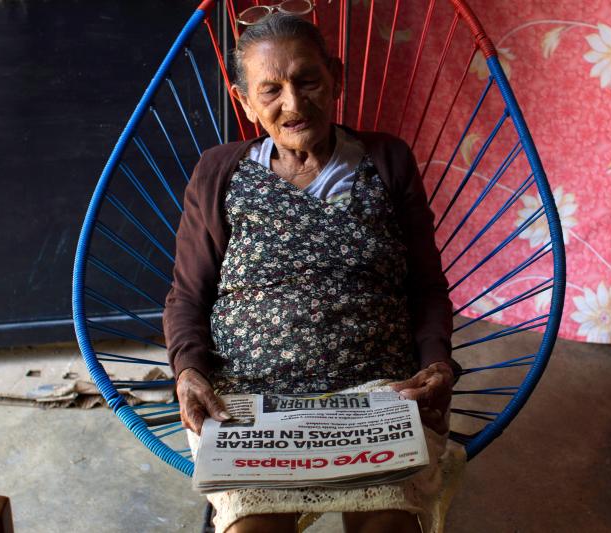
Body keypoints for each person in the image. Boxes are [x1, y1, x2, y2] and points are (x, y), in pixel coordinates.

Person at [164, 12, 459, 533]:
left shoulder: (387, 160)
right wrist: (188, 371)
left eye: (308, 81)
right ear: (243, 100)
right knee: (253, 530)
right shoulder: (218, 172)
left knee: (387, 526)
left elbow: (426, 288)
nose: (294, 105)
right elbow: (188, 296)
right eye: (270, 90)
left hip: (378, 392)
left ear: (336, 78)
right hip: (249, 397)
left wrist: (436, 362)